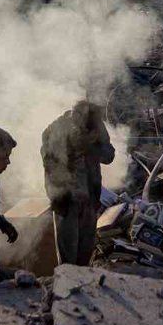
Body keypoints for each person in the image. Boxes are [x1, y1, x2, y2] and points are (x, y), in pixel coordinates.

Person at [41, 101, 115, 266]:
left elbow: (109, 156)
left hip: (89, 199)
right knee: (68, 258)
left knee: (85, 252)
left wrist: (95, 143)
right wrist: (79, 145)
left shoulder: (95, 125)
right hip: (67, 202)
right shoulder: (56, 130)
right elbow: (52, 163)